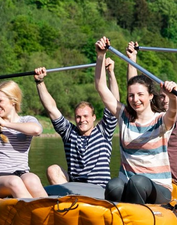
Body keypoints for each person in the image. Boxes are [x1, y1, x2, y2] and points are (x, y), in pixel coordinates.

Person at [94, 36, 177, 204]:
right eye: (131, 95)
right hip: (129, 186)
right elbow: (101, 87)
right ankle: (115, 219)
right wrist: (100, 56)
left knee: (137, 181)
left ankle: (137, 221)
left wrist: (172, 95)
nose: (135, 99)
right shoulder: (124, 116)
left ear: (150, 96)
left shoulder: (161, 121)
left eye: (140, 95)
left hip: (158, 188)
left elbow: (173, 111)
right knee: (114, 185)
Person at [126, 42, 177, 199]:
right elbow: (135, 89)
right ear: (155, 99)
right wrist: (132, 58)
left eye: (170, 95)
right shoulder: (149, 120)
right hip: (143, 180)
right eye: (162, 96)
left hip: (170, 185)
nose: (166, 100)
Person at [33, 58, 120, 186]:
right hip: (76, 190)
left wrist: (111, 73)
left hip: (100, 189)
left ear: (93, 117)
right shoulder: (69, 133)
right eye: (78, 117)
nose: (82, 120)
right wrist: (39, 82)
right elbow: (51, 108)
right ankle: (68, 201)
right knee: (53, 170)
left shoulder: (104, 131)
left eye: (85, 116)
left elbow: (114, 102)